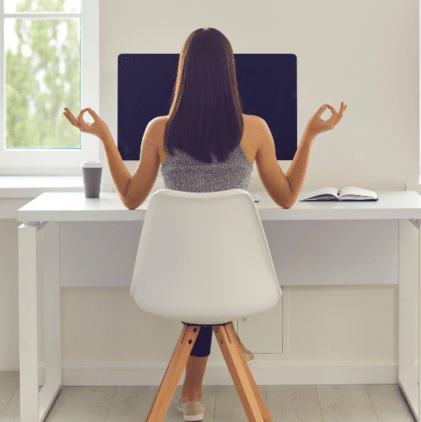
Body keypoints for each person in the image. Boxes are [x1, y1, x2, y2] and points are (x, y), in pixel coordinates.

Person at [63, 27, 346, 421]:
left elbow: (129, 198)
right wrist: (310, 137)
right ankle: (215, 352)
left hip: (176, 275)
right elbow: (286, 197)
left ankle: (192, 395)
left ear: (183, 73)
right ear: (230, 73)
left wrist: (105, 138)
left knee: (201, 282)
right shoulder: (257, 129)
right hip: (234, 275)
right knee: (213, 286)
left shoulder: (159, 130)